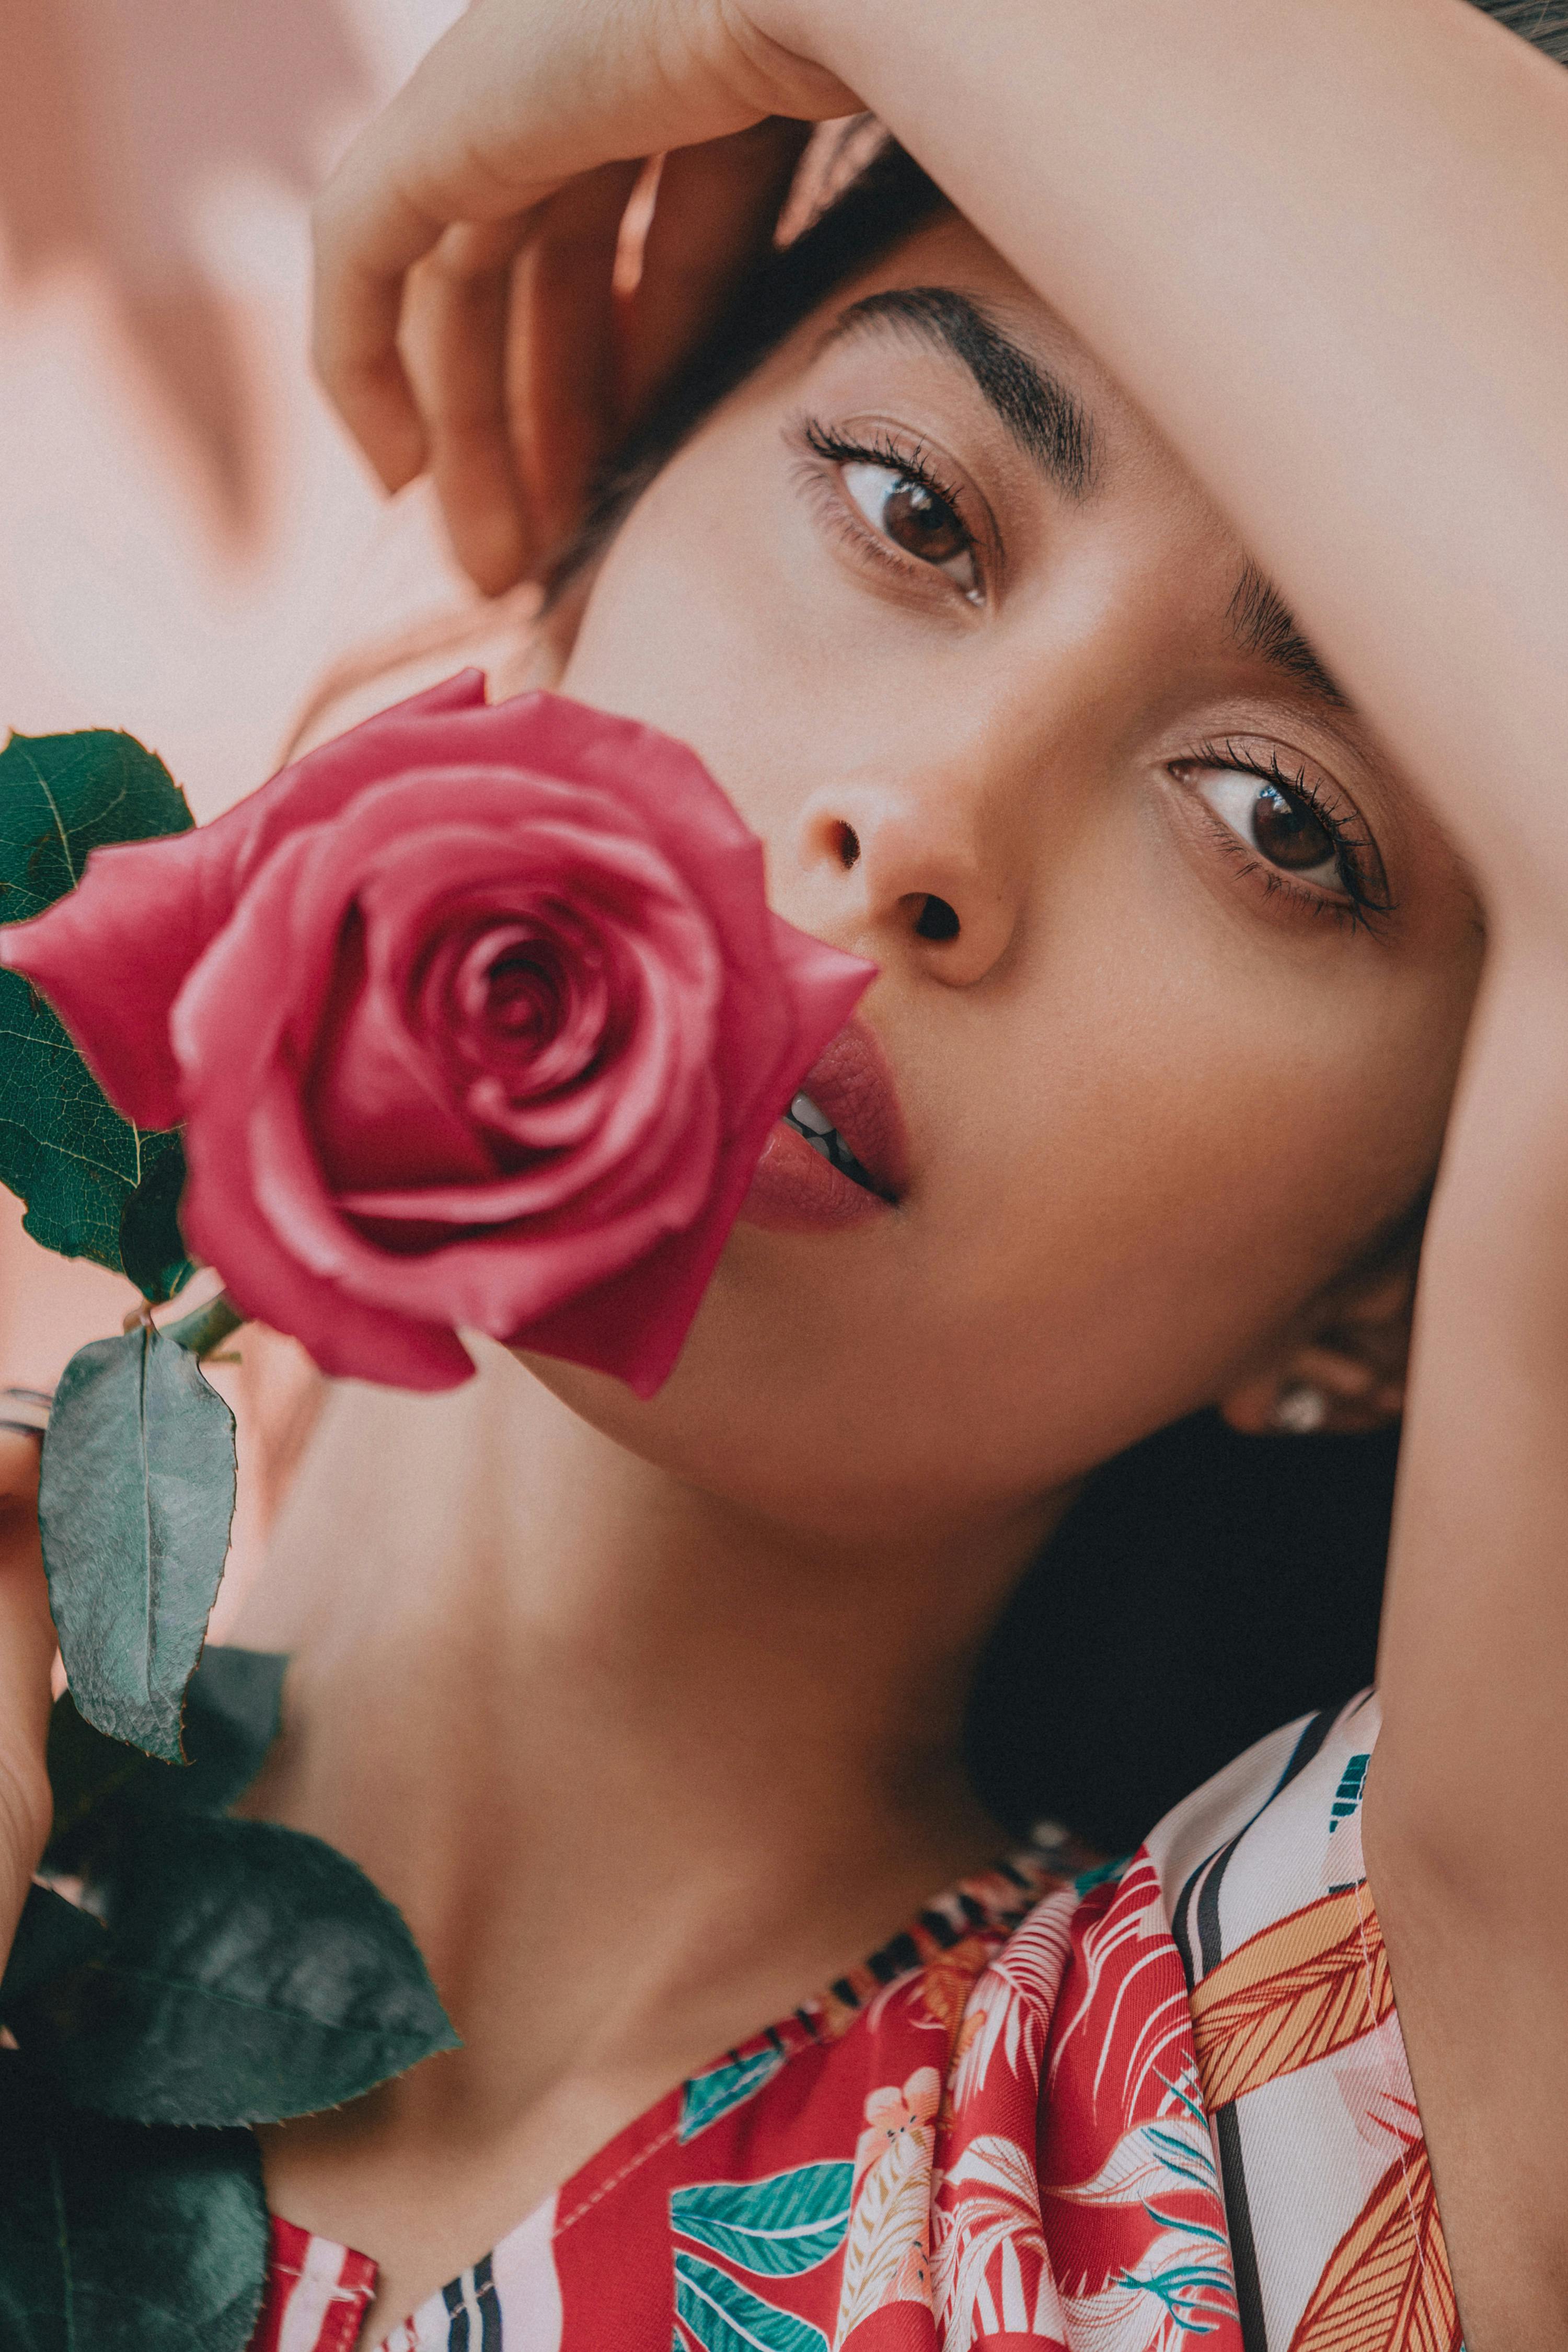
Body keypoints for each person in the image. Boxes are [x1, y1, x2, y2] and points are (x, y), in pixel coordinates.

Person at [3, 0, 1567, 2343]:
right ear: (558, 593)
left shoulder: (1338, 2128)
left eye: (1280, 822)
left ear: (1387, 1286)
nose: (927, 820)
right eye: (913, 506)